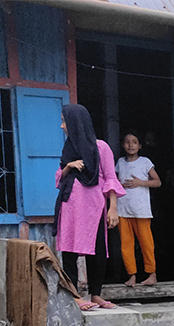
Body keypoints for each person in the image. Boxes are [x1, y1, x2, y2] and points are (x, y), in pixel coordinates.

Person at [55, 104, 125, 310]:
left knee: (98, 251)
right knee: (70, 251)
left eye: (64, 121)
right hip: (70, 207)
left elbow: (111, 178)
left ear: (76, 122)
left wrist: (113, 208)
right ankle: (74, 296)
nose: (62, 126)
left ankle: (96, 294)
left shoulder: (101, 147)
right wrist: (68, 166)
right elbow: (59, 179)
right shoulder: (69, 147)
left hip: (94, 208)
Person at [116, 131, 161, 286]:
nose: (131, 145)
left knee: (146, 243)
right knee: (126, 245)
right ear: (123, 145)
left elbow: (157, 182)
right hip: (122, 210)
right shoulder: (120, 162)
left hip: (141, 211)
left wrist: (140, 183)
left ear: (140, 146)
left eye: (134, 142)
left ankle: (151, 274)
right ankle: (132, 276)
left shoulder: (145, 162)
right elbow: (114, 181)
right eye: (127, 142)